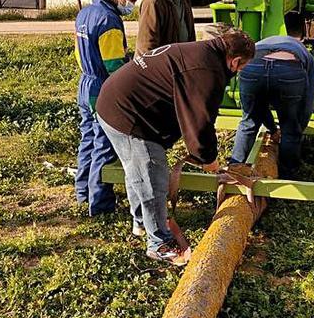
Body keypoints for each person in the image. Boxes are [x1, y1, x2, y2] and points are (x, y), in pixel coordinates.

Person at [97, 31, 256, 265]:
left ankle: (142, 222)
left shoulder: (203, 51)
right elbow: (199, 123)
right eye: (243, 67)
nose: (240, 72)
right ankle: (158, 243)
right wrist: (208, 159)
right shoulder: (207, 72)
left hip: (114, 102)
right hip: (128, 115)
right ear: (235, 61)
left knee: (137, 171)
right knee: (152, 177)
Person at [74, 0, 143, 216]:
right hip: (102, 87)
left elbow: (80, 53)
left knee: (87, 140)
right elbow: (114, 64)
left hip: (85, 84)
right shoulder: (108, 20)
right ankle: (100, 205)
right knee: (104, 145)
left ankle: (82, 193)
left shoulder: (85, 13)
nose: (131, 5)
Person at [229, 12, 314, 180]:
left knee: (248, 122)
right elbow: (307, 102)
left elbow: (259, 108)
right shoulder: (306, 54)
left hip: (252, 66)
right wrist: (297, 129)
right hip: (288, 70)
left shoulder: (264, 41)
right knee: (290, 128)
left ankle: (234, 171)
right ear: (302, 38)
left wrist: (271, 128)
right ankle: (286, 178)